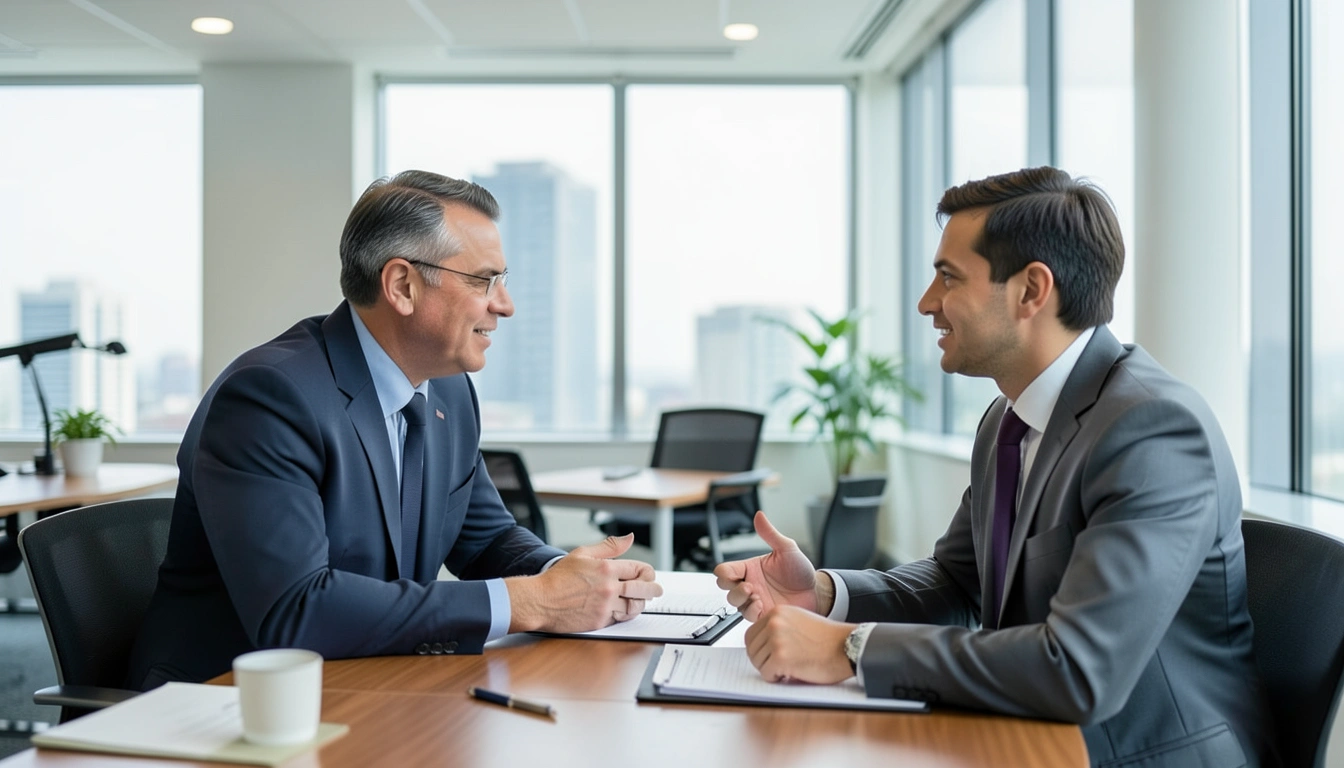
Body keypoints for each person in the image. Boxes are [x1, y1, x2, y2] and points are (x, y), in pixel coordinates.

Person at [716, 167, 1277, 767]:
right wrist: (825, 595)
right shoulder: (1006, 423)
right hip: (1030, 738)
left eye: (948, 277)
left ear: (1032, 290)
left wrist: (850, 648)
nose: (927, 303)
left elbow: (1080, 671)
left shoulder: (1153, 430)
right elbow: (959, 585)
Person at [127, 170, 660, 689]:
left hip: (370, 681)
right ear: (403, 285)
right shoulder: (270, 397)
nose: (505, 304)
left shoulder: (447, 390)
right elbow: (295, 612)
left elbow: (487, 539)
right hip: (222, 706)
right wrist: (533, 602)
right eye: (483, 280)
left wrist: (576, 578)